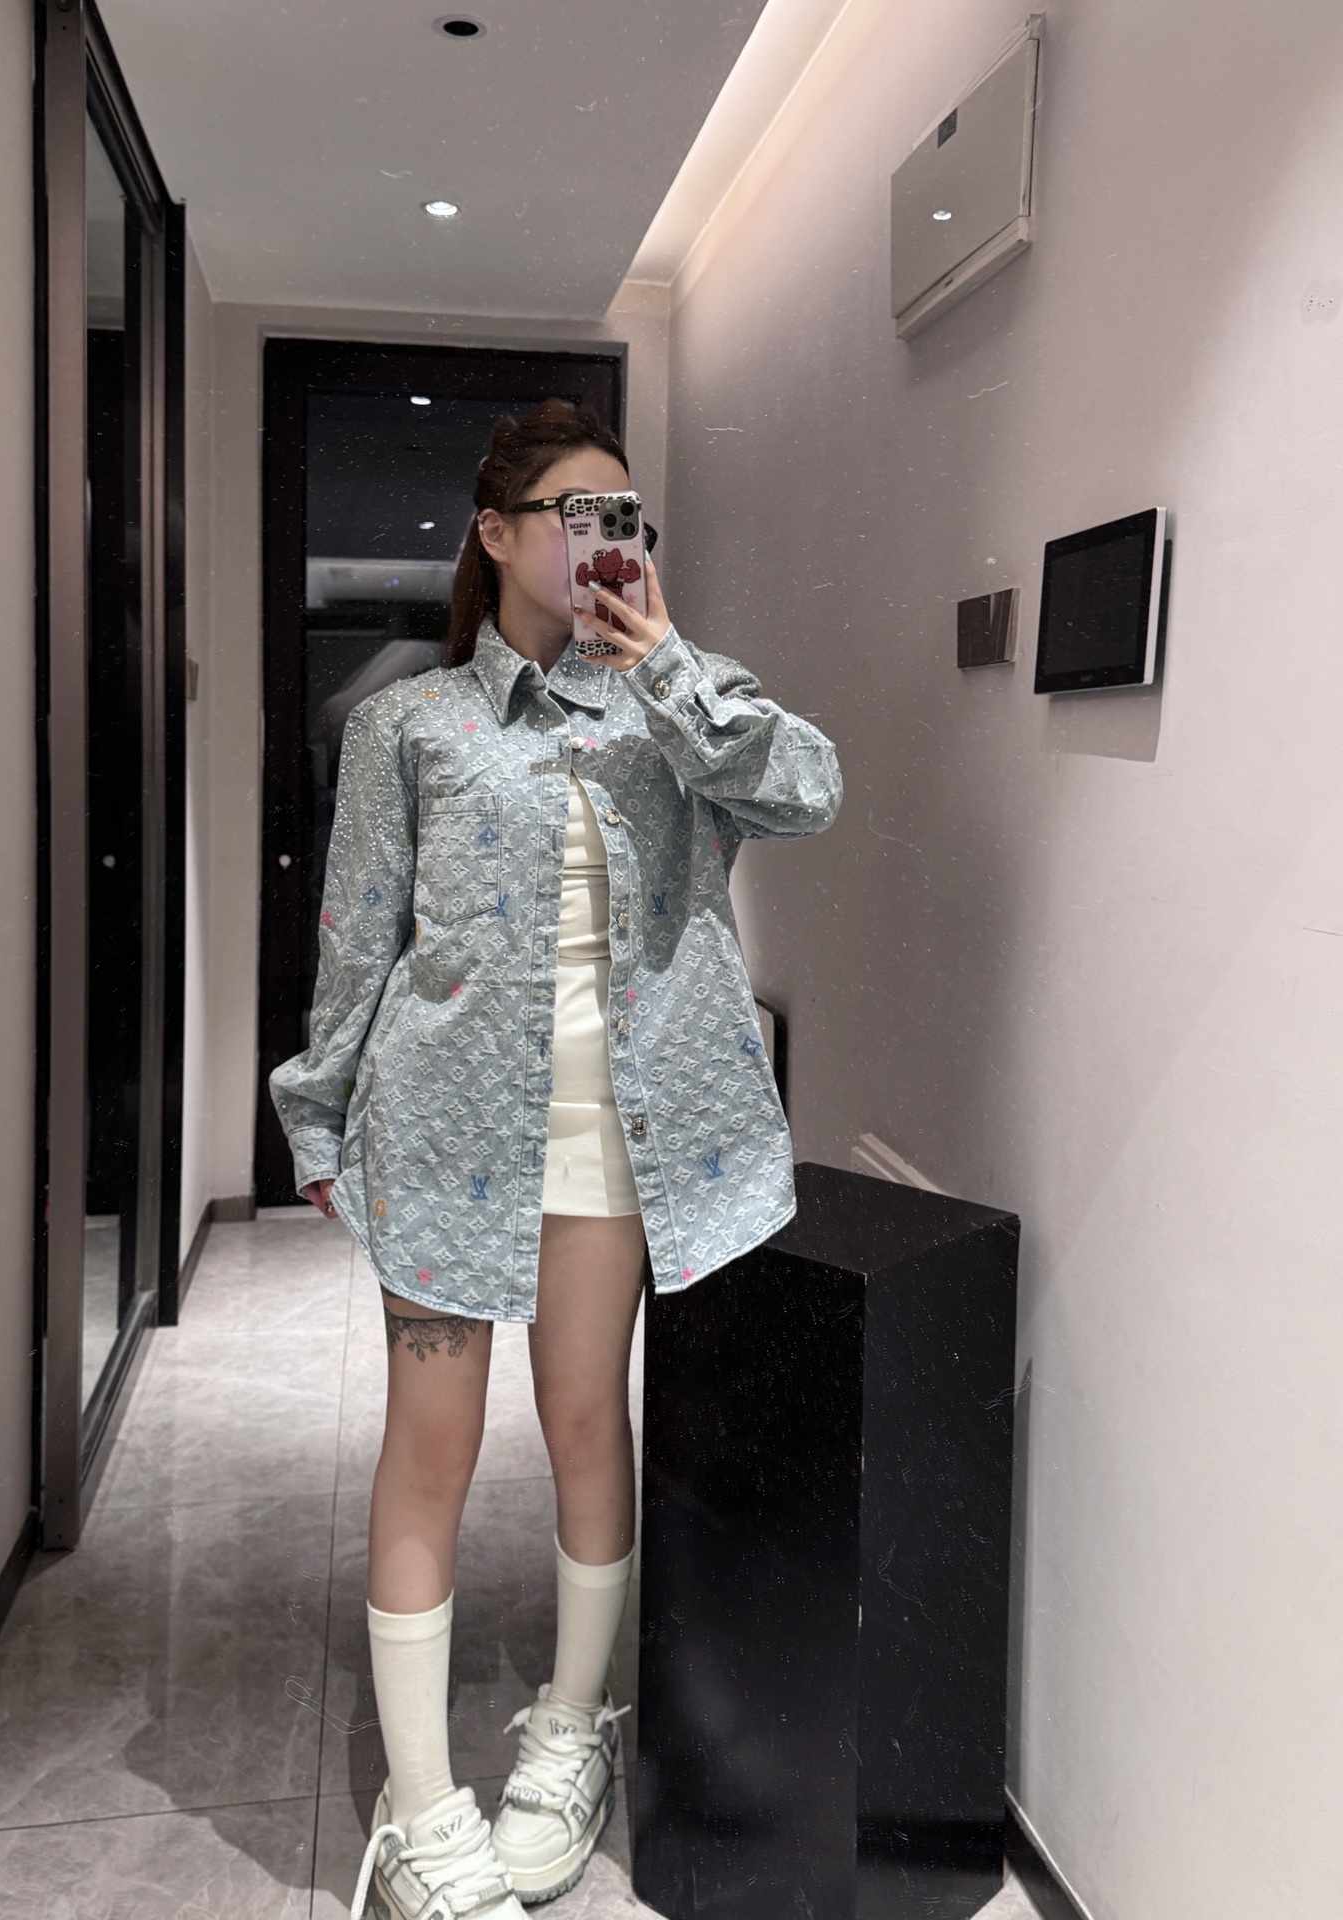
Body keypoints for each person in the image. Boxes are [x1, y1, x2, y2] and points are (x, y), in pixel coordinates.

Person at [269, 399, 842, 1920]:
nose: (608, 541)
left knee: (589, 1423)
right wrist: (318, 1113)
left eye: (627, 517)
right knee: (431, 1449)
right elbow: (359, 941)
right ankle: (417, 1800)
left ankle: (572, 1727)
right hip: (445, 1137)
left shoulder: (683, 702)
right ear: (498, 532)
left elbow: (809, 791)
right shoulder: (409, 723)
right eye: (578, 515)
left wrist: (669, 666)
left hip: (616, 1147)